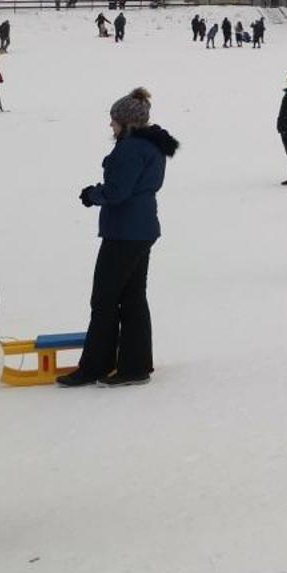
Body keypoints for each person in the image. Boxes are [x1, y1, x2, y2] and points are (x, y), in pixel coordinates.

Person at [66, 87, 179, 386]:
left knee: (104, 298)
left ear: (127, 122)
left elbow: (118, 191)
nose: (110, 125)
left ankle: (95, 366)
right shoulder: (149, 146)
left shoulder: (131, 148)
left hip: (125, 232)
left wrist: (92, 195)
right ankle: (134, 366)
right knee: (132, 297)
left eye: (114, 120)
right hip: (141, 229)